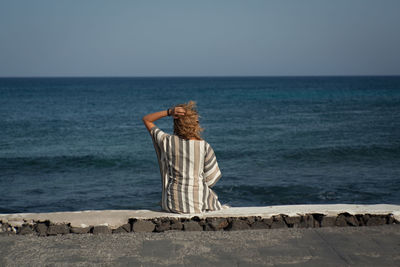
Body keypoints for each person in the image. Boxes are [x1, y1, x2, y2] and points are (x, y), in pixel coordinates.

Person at [142, 101, 228, 214]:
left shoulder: (167, 141)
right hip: (197, 204)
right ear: (195, 124)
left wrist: (169, 112)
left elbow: (147, 119)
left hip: (172, 203)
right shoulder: (204, 146)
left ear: (176, 123)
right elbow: (211, 180)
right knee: (207, 191)